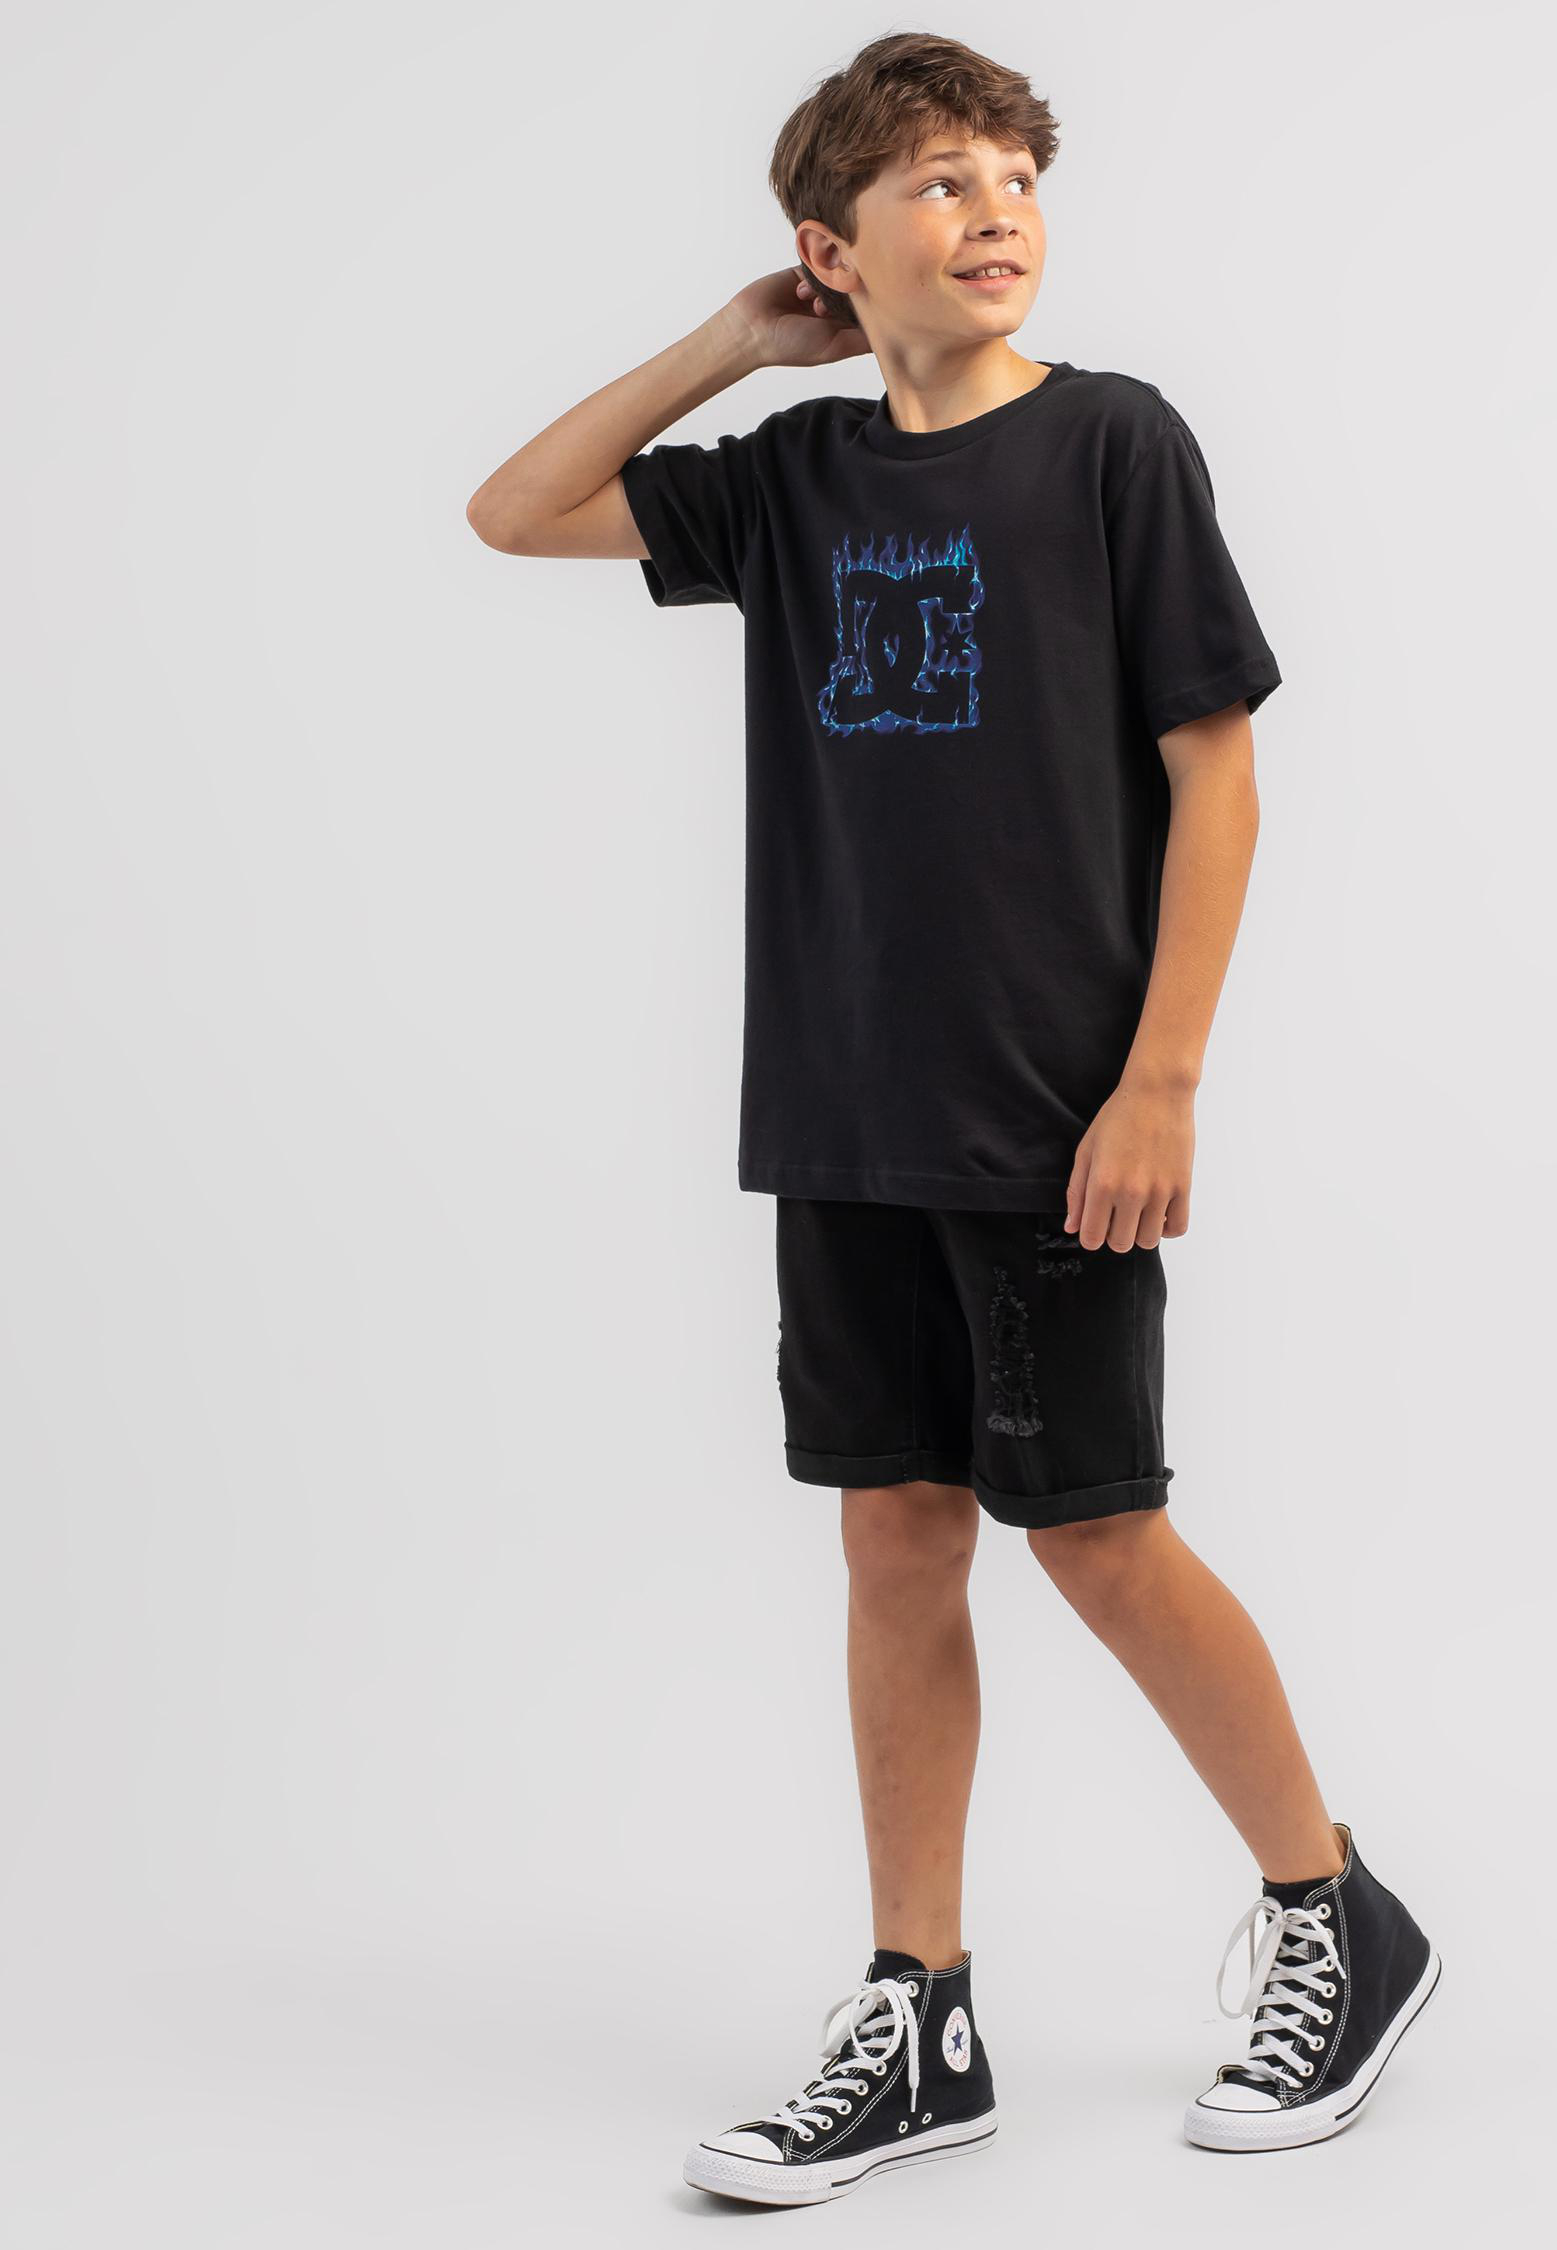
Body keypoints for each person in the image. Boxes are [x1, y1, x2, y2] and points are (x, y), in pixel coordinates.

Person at [466, 29, 1439, 2207]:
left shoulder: (1112, 443)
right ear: (832, 247)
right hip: (842, 1102)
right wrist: (732, 344)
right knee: (893, 1538)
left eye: (1014, 175)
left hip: (1053, 1109)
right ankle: (922, 2010)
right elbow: (513, 510)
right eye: (937, 182)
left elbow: (1217, 769)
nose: (994, 208)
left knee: (1093, 1529)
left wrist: (1162, 1074)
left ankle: (1337, 1913)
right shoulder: (793, 478)